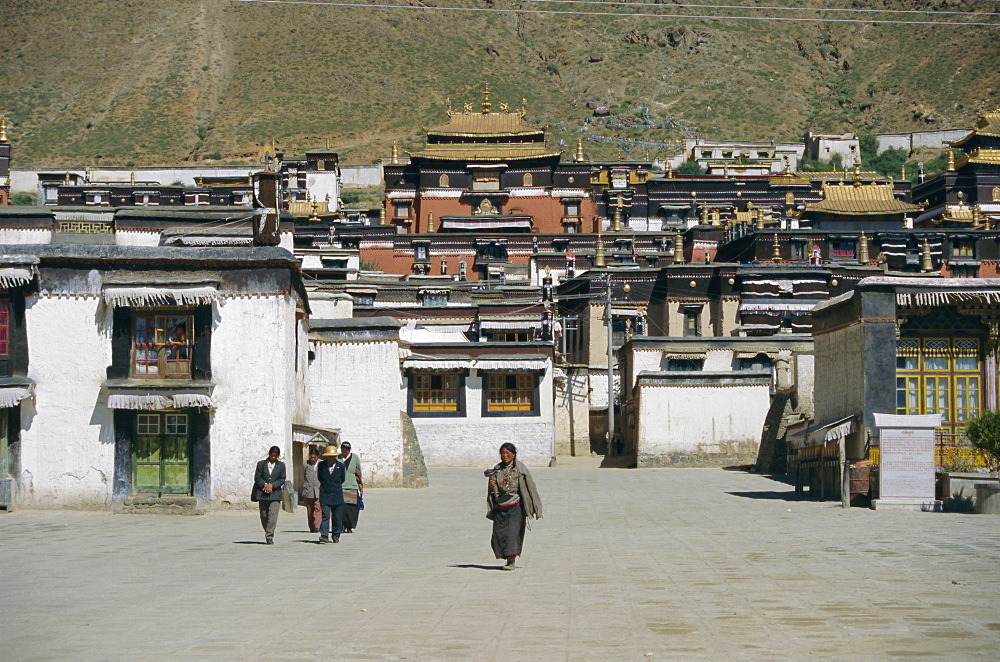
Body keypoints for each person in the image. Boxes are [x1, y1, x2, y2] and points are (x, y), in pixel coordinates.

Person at [486, 442, 541, 570]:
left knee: (512, 534)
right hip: (500, 506)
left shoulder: (520, 469)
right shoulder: (497, 469)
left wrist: (536, 508)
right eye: (502, 453)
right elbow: (494, 490)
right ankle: (505, 556)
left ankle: (511, 561)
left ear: (513, 454)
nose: (505, 455)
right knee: (498, 535)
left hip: (515, 506)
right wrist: (492, 486)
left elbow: (531, 488)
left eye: (507, 453)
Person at [251, 446, 286, 545]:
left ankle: (269, 536)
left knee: (273, 515)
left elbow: (282, 479)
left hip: (275, 494)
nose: (273, 458)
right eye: (272, 455)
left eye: (275, 456)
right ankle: (267, 530)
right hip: (263, 493)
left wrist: (272, 485)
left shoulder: (281, 466)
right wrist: (265, 485)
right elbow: (257, 477)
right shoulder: (261, 464)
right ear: (269, 454)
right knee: (264, 515)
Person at [317, 444, 346, 544]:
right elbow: (320, 478)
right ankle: (324, 535)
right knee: (325, 515)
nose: (331, 458)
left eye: (332, 456)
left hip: (337, 494)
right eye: (329, 456)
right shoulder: (321, 466)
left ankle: (336, 535)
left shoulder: (341, 466)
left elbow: (342, 479)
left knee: (337, 516)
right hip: (325, 494)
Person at [339, 441, 363, 533]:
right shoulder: (338, 458)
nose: (344, 453)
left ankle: (349, 526)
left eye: (345, 451)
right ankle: (342, 525)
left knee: (352, 508)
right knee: (342, 508)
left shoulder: (355, 458)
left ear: (349, 450)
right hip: (341, 487)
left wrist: (360, 484)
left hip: (352, 486)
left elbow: (358, 472)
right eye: (342, 451)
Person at [301, 446, 322, 533]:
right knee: (310, 509)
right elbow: (303, 475)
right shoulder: (305, 464)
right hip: (308, 490)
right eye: (311, 457)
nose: (313, 459)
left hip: (318, 489)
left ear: (318, 457)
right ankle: (312, 526)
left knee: (318, 508)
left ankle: (317, 526)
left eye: (315, 457)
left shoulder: (322, 464)